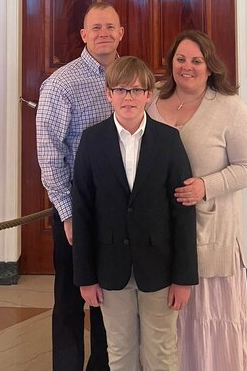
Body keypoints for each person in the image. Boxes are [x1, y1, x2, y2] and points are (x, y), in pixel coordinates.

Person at [72, 56, 198, 371]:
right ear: (108, 94)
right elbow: (83, 212)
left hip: (159, 268)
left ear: (148, 95)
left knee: (161, 353)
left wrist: (183, 278)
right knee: (120, 351)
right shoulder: (92, 141)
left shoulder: (168, 141)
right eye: (120, 90)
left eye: (136, 90)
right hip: (110, 268)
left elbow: (182, 212)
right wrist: (86, 277)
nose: (128, 97)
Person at [147, 30, 247, 371]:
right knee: (165, 326)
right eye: (180, 59)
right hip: (159, 237)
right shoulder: (151, 99)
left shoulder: (229, 108)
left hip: (210, 237)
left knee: (208, 323)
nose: (187, 67)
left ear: (209, 66)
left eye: (196, 61)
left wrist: (205, 186)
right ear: (170, 63)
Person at [36, 1, 124, 371]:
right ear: (84, 36)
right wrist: (68, 215)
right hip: (77, 212)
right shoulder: (61, 84)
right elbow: (49, 153)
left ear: (121, 33)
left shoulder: (131, 77)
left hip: (120, 212)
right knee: (71, 301)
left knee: (113, 299)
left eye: (111, 27)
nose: (104, 33)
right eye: (96, 28)